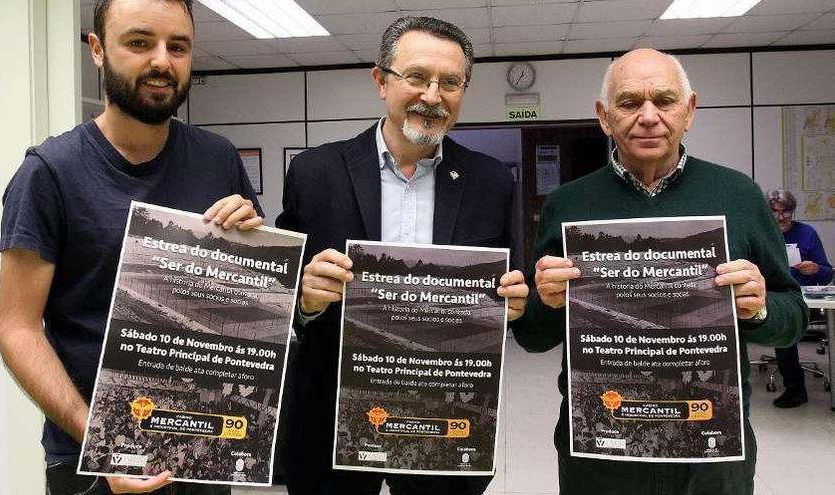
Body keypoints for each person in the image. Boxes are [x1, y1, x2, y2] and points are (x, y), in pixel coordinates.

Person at [511, 48, 807, 495]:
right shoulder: (569, 204)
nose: (648, 116)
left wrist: (761, 309)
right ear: (604, 117)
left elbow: (792, 318)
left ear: (689, 111)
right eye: (629, 102)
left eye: (664, 101)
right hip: (601, 449)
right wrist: (548, 303)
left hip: (711, 451)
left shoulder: (739, 196)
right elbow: (533, 337)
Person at [0, 0, 262, 494]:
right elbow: (17, 327)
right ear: (97, 50)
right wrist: (100, 439)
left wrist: (255, 253)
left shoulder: (217, 158)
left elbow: (241, 307)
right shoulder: (49, 173)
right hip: (94, 460)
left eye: (177, 46)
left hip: (205, 446)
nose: (162, 61)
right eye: (139, 42)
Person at [276, 16, 528, 495]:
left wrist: (513, 304)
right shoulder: (315, 173)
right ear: (381, 81)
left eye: (450, 82)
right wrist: (305, 300)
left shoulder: (491, 182)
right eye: (416, 77)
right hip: (331, 422)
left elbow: (507, 291)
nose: (432, 96)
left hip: (446, 418)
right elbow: (282, 295)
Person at [767, 189, 832, 408]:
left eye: (786, 211)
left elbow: (827, 271)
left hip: (804, 298)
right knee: (781, 318)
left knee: (785, 321)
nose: (781, 217)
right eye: (775, 211)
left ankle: (795, 389)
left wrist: (814, 269)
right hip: (771, 296)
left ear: (792, 212)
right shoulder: (763, 233)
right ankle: (794, 386)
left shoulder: (807, 233)